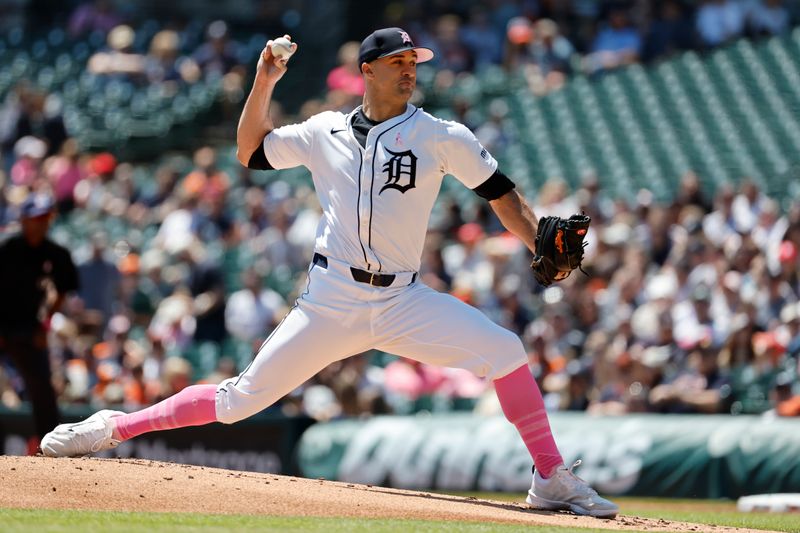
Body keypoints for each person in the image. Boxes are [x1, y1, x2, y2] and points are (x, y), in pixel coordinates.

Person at [40, 28, 618, 518]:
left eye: (414, 63)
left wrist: (538, 238)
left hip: (402, 300)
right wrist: (265, 80)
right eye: (398, 63)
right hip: (331, 298)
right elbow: (248, 151)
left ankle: (550, 478)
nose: (410, 71)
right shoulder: (323, 132)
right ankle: (114, 427)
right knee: (239, 400)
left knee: (507, 350)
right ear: (367, 70)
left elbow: (503, 197)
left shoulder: (441, 135)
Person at [0, 193, 79, 451]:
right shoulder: (7, 249)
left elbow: (64, 289)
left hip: (28, 328)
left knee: (43, 391)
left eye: (45, 218)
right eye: (36, 218)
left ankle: (51, 447)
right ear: (23, 220)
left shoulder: (55, 254)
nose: (41, 223)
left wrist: (45, 325)